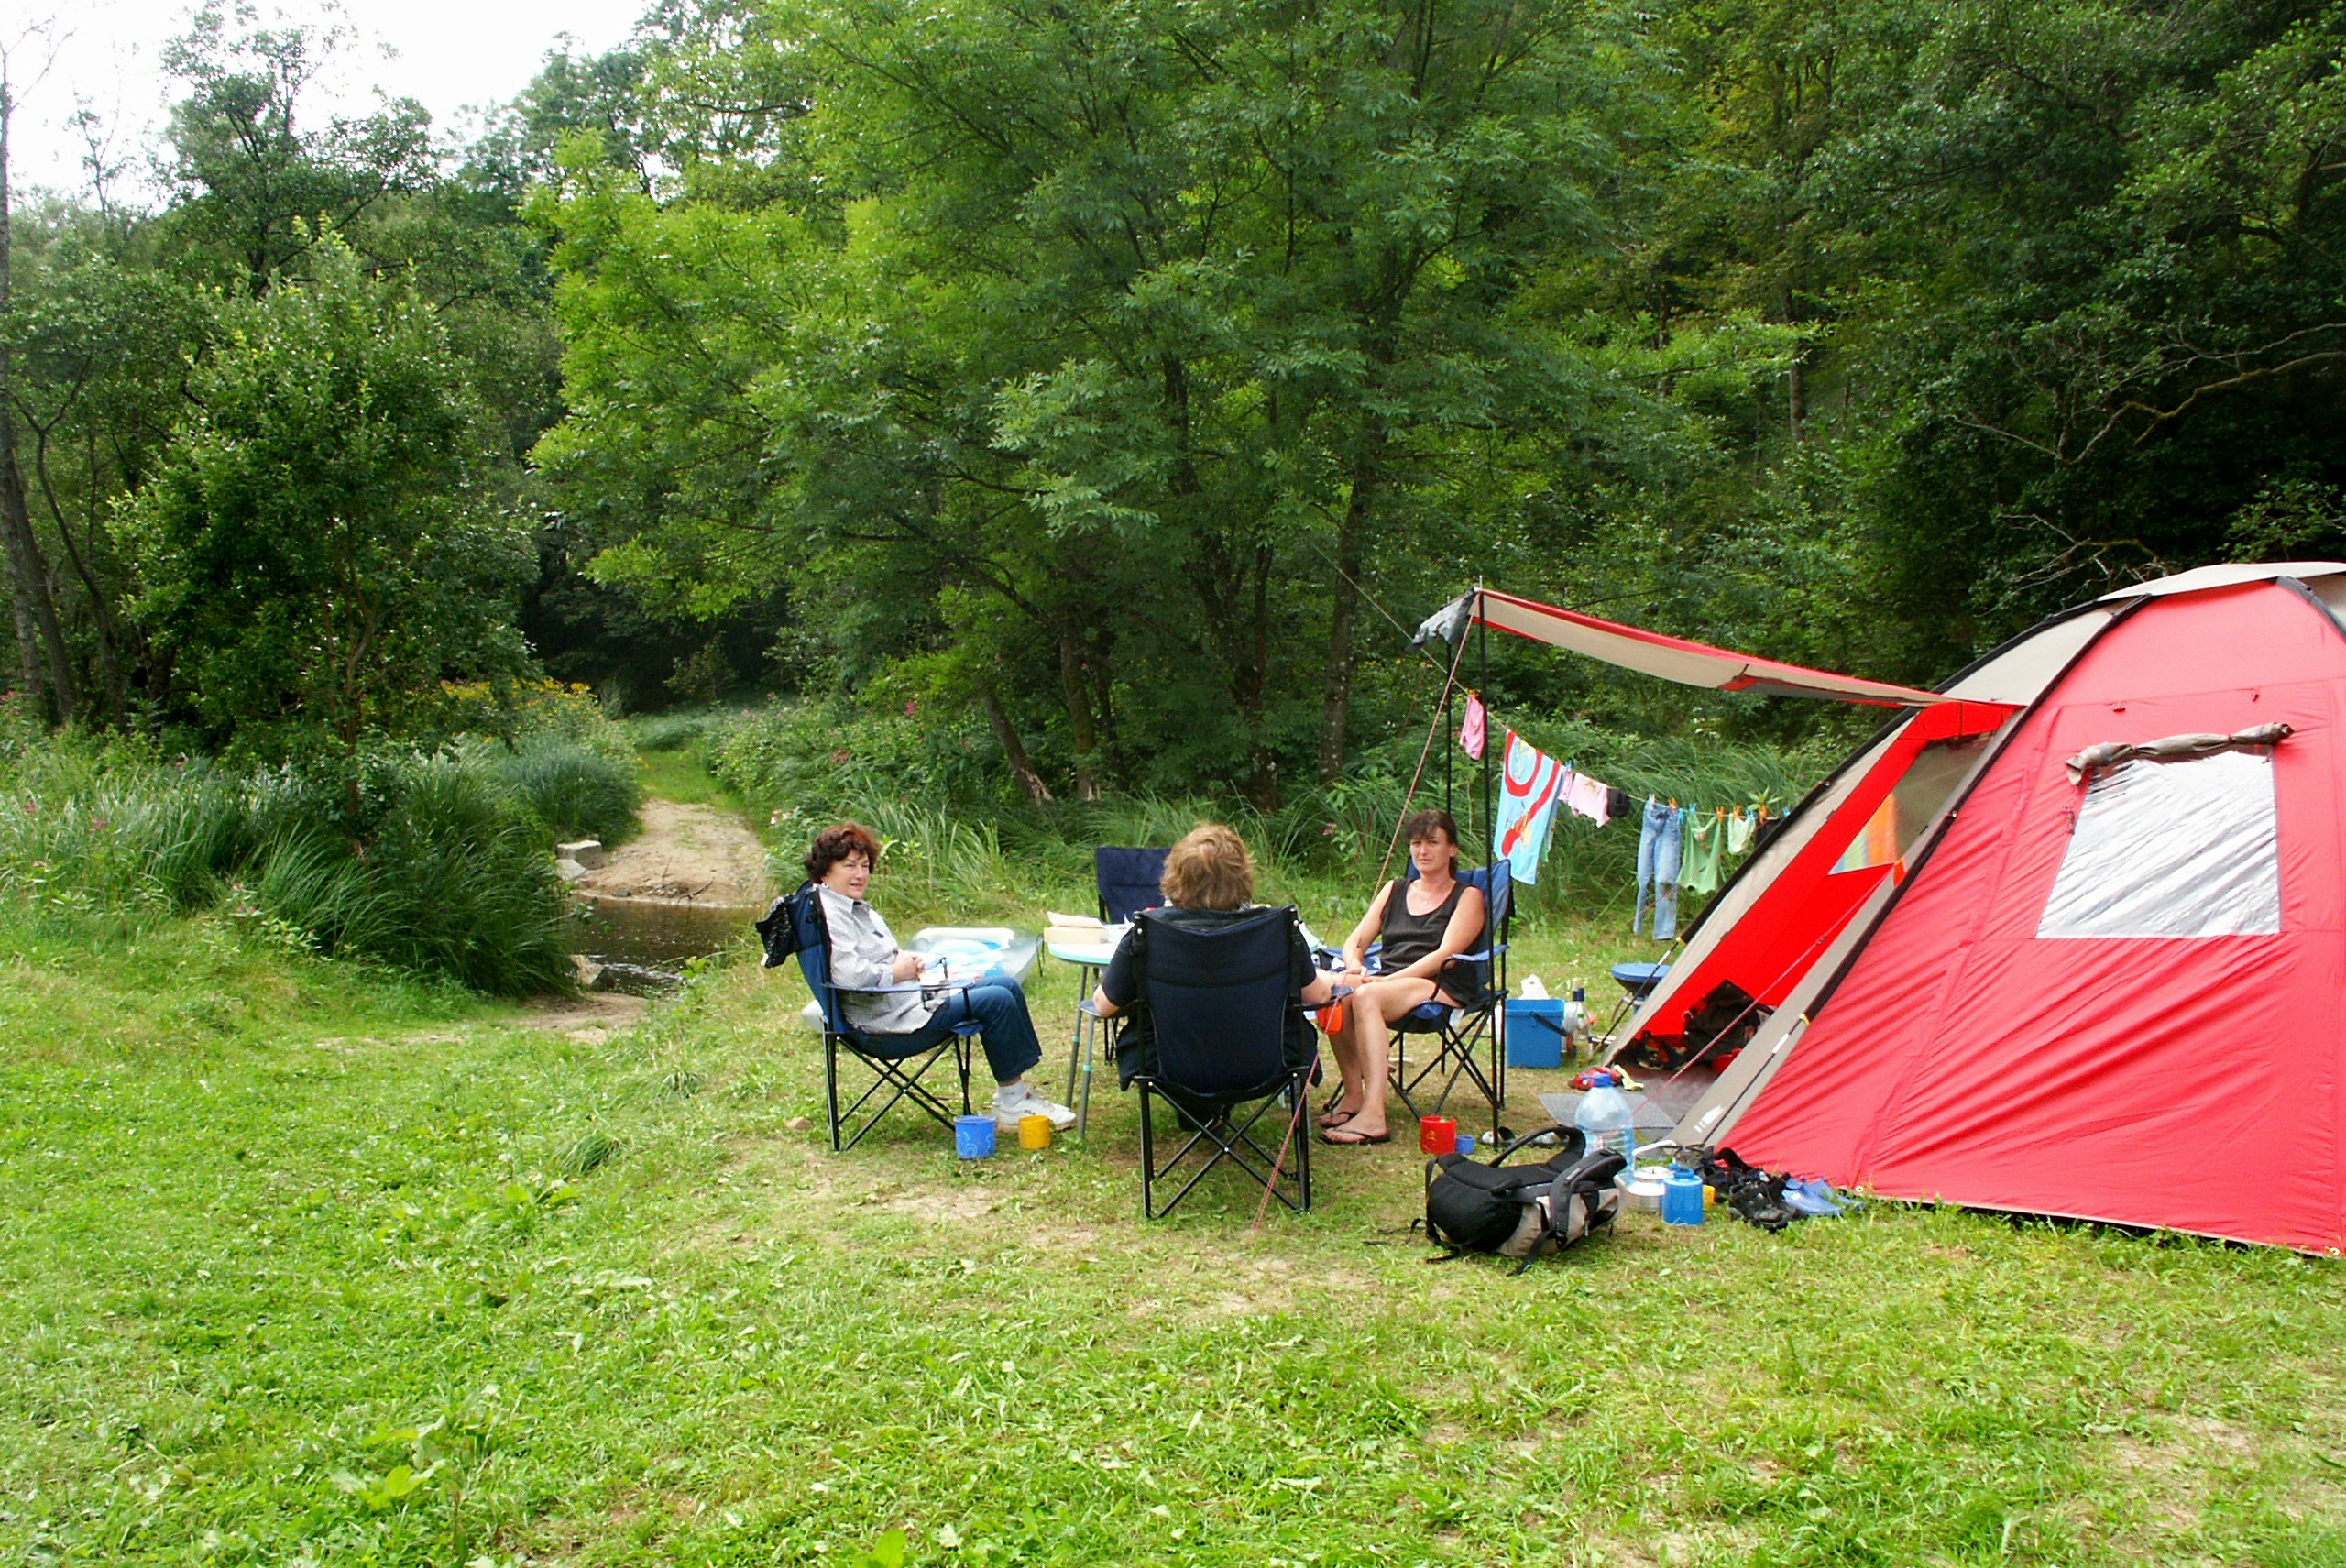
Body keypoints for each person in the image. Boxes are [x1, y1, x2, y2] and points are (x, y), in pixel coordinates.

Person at [807, 822, 1075, 1131]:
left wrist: (908, 963)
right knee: (996, 1000)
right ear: (825, 871)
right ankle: (1014, 1104)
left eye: (865, 866)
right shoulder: (830, 915)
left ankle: (1014, 1095)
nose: (860, 874)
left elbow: (877, 958)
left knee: (1006, 984)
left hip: (902, 1001)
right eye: (849, 866)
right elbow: (850, 977)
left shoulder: (852, 907)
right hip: (884, 1022)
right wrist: (897, 972)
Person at [1091, 824, 1334, 1121]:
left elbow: (1104, 1006)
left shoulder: (1149, 932)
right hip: (1269, 1061)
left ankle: (1198, 1113)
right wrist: (1332, 978)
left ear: (1174, 876)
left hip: (1168, 1065)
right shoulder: (1274, 929)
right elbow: (1318, 994)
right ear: (1242, 877)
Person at [1318, 807, 1487, 1146]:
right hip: (1392, 980)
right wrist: (1353, 965)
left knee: (1365, 996)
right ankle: (1353, 1095)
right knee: (1333, 991)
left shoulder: (1467, 896)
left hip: (1441, 984)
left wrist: (1385, 982)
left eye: (1432, 843)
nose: (1422, 851)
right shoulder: (1395, 889)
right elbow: (1356, 941)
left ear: (1452, 849)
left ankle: (1374, 1116)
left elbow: (1445, 957)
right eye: (1416, 843)